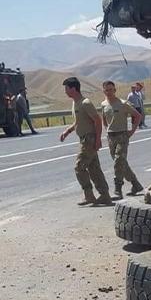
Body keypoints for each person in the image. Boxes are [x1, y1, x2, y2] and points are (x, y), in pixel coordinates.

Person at [58, 77, 112, 206]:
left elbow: (97, 120)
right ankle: (104, 195)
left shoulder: (85, 103)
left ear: (73, 89)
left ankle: (89, 195)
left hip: (89, 139)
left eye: (66, 88)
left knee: (79, 167)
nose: (65, 91)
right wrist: (68, 131)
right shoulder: (75, 103)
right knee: (94, 169)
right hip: (84, 139)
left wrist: (98, 139)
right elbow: (78, 121)